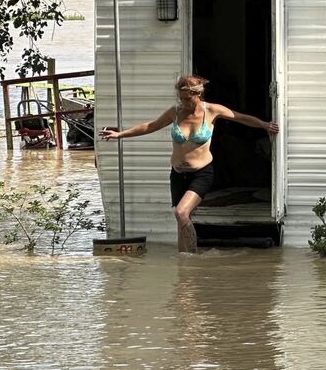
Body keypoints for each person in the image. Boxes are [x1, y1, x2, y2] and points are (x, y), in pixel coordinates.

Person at [100, 74, 280, 252]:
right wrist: (120, 134)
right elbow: (151, 126)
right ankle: (184, 265)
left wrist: (265, 125)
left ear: (197, 95)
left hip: (201, 173)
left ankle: (193, 256)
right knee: (182, 219)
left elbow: (241, 117)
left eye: (187, 99)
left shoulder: (212, 111)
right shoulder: (175, 112)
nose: (184, 103)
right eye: (181, 98)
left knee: (181, 212)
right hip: (178, 174)